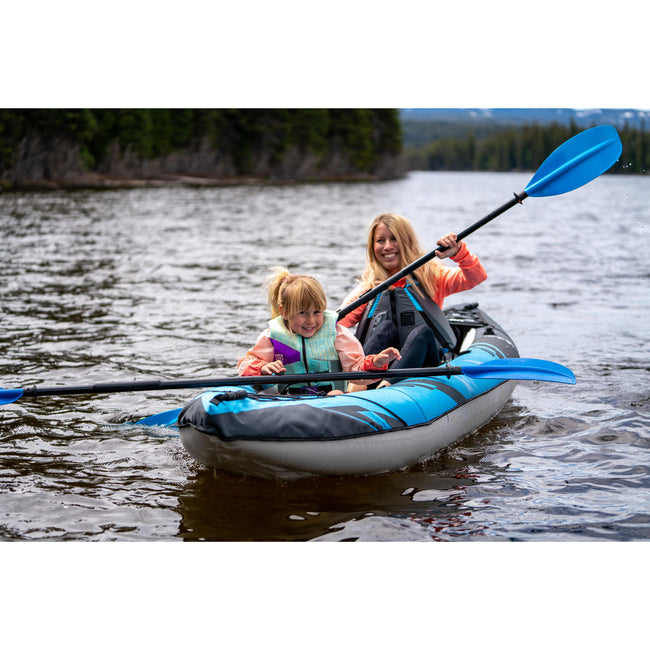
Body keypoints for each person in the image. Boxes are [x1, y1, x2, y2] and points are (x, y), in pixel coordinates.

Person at [338, 212, 487, 387]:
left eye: (394, 239)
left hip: (425, 363)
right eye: (380, 241)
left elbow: (475, 277)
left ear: (407, 241)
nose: (387, 246)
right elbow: (338, 325)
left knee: (422, 333)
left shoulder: (431, 276)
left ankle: (386, 386)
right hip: (379, 369)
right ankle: (358, 384)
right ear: (372, 247)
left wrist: (460, 253)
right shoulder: (368, 288)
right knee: (384, 327)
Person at [238, 267, 401, 395]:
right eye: (302, 313)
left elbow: (356, 369)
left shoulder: (337, 333)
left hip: (330, 396)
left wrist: (376, 362)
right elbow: (245, 365)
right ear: (284, 312)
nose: (311, 321)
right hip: (289, 399)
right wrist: (262, 367)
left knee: (335, 393)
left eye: (317, 312)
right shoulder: (271, 336)